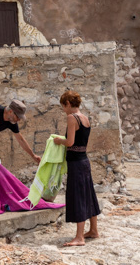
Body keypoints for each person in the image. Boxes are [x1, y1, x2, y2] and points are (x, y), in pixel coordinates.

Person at [56, 90, 101, 247]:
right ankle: (93, 230)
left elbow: (69, 142)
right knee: (88, 195)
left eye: (63, 106)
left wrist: (57, 141)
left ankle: (79, 237)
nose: (64, 110)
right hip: (84, 161)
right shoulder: (85, 118)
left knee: (78, 197)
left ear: (68, 104)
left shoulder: (71, 118)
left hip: (76, 163)